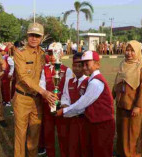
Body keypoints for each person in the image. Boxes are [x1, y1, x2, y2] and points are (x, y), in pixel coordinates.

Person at [56, 50, 115, 157]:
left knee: (102, 152)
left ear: (97, 64)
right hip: (95, 122)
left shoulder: (95, 82)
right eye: (83, 64)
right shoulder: (92, 79)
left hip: (102, 123)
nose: (84, 67)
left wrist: (63, 111)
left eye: (87, 64)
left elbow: (82, 104)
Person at [13, 22, 57, 157]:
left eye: (37, 36)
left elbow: (49, 73)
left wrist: (54, 63)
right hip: (22, 98)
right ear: (27, 36)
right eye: (31, 35)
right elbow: (23, 76)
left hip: (37, 100)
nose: (34, 38)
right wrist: (43, 92)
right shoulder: (20, 53)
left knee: (35, 133)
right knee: (20, 134)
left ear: (41, 38)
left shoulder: (44, 54)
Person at [112, 40, 142, 157]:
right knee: (121, 131)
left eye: (132, 50)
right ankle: (121, 152)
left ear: (137, 51)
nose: (129, 53)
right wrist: (112, 96)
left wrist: (138, 106)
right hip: (121, 103)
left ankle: (132, 154)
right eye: (127, 50)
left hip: (133, 106)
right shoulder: (123, 63)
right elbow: (117, 82)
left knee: (132, 133)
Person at [39, 42, 72, 157]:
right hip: (47, 104)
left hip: (61, 106)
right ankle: (50, 153)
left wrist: (61, 103)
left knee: (62, 133)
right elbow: (41, 84)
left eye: (54, 53)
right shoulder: (45, 69)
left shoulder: (67, 70)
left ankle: (64, 153)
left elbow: (67, 89)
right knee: (48, 131)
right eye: (49, 53)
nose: (52, 56)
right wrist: (48, 96)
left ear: (61, 54)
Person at [61, 53, 88, 157]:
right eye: (74, 65)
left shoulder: (89, 81)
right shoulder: (70, 81)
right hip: (72, 120)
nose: (76, 69)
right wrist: (64, 104)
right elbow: (65, 96)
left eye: (79, 66)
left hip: (85, 120)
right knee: (73, 145)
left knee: (85, 146)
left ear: (85, 66)